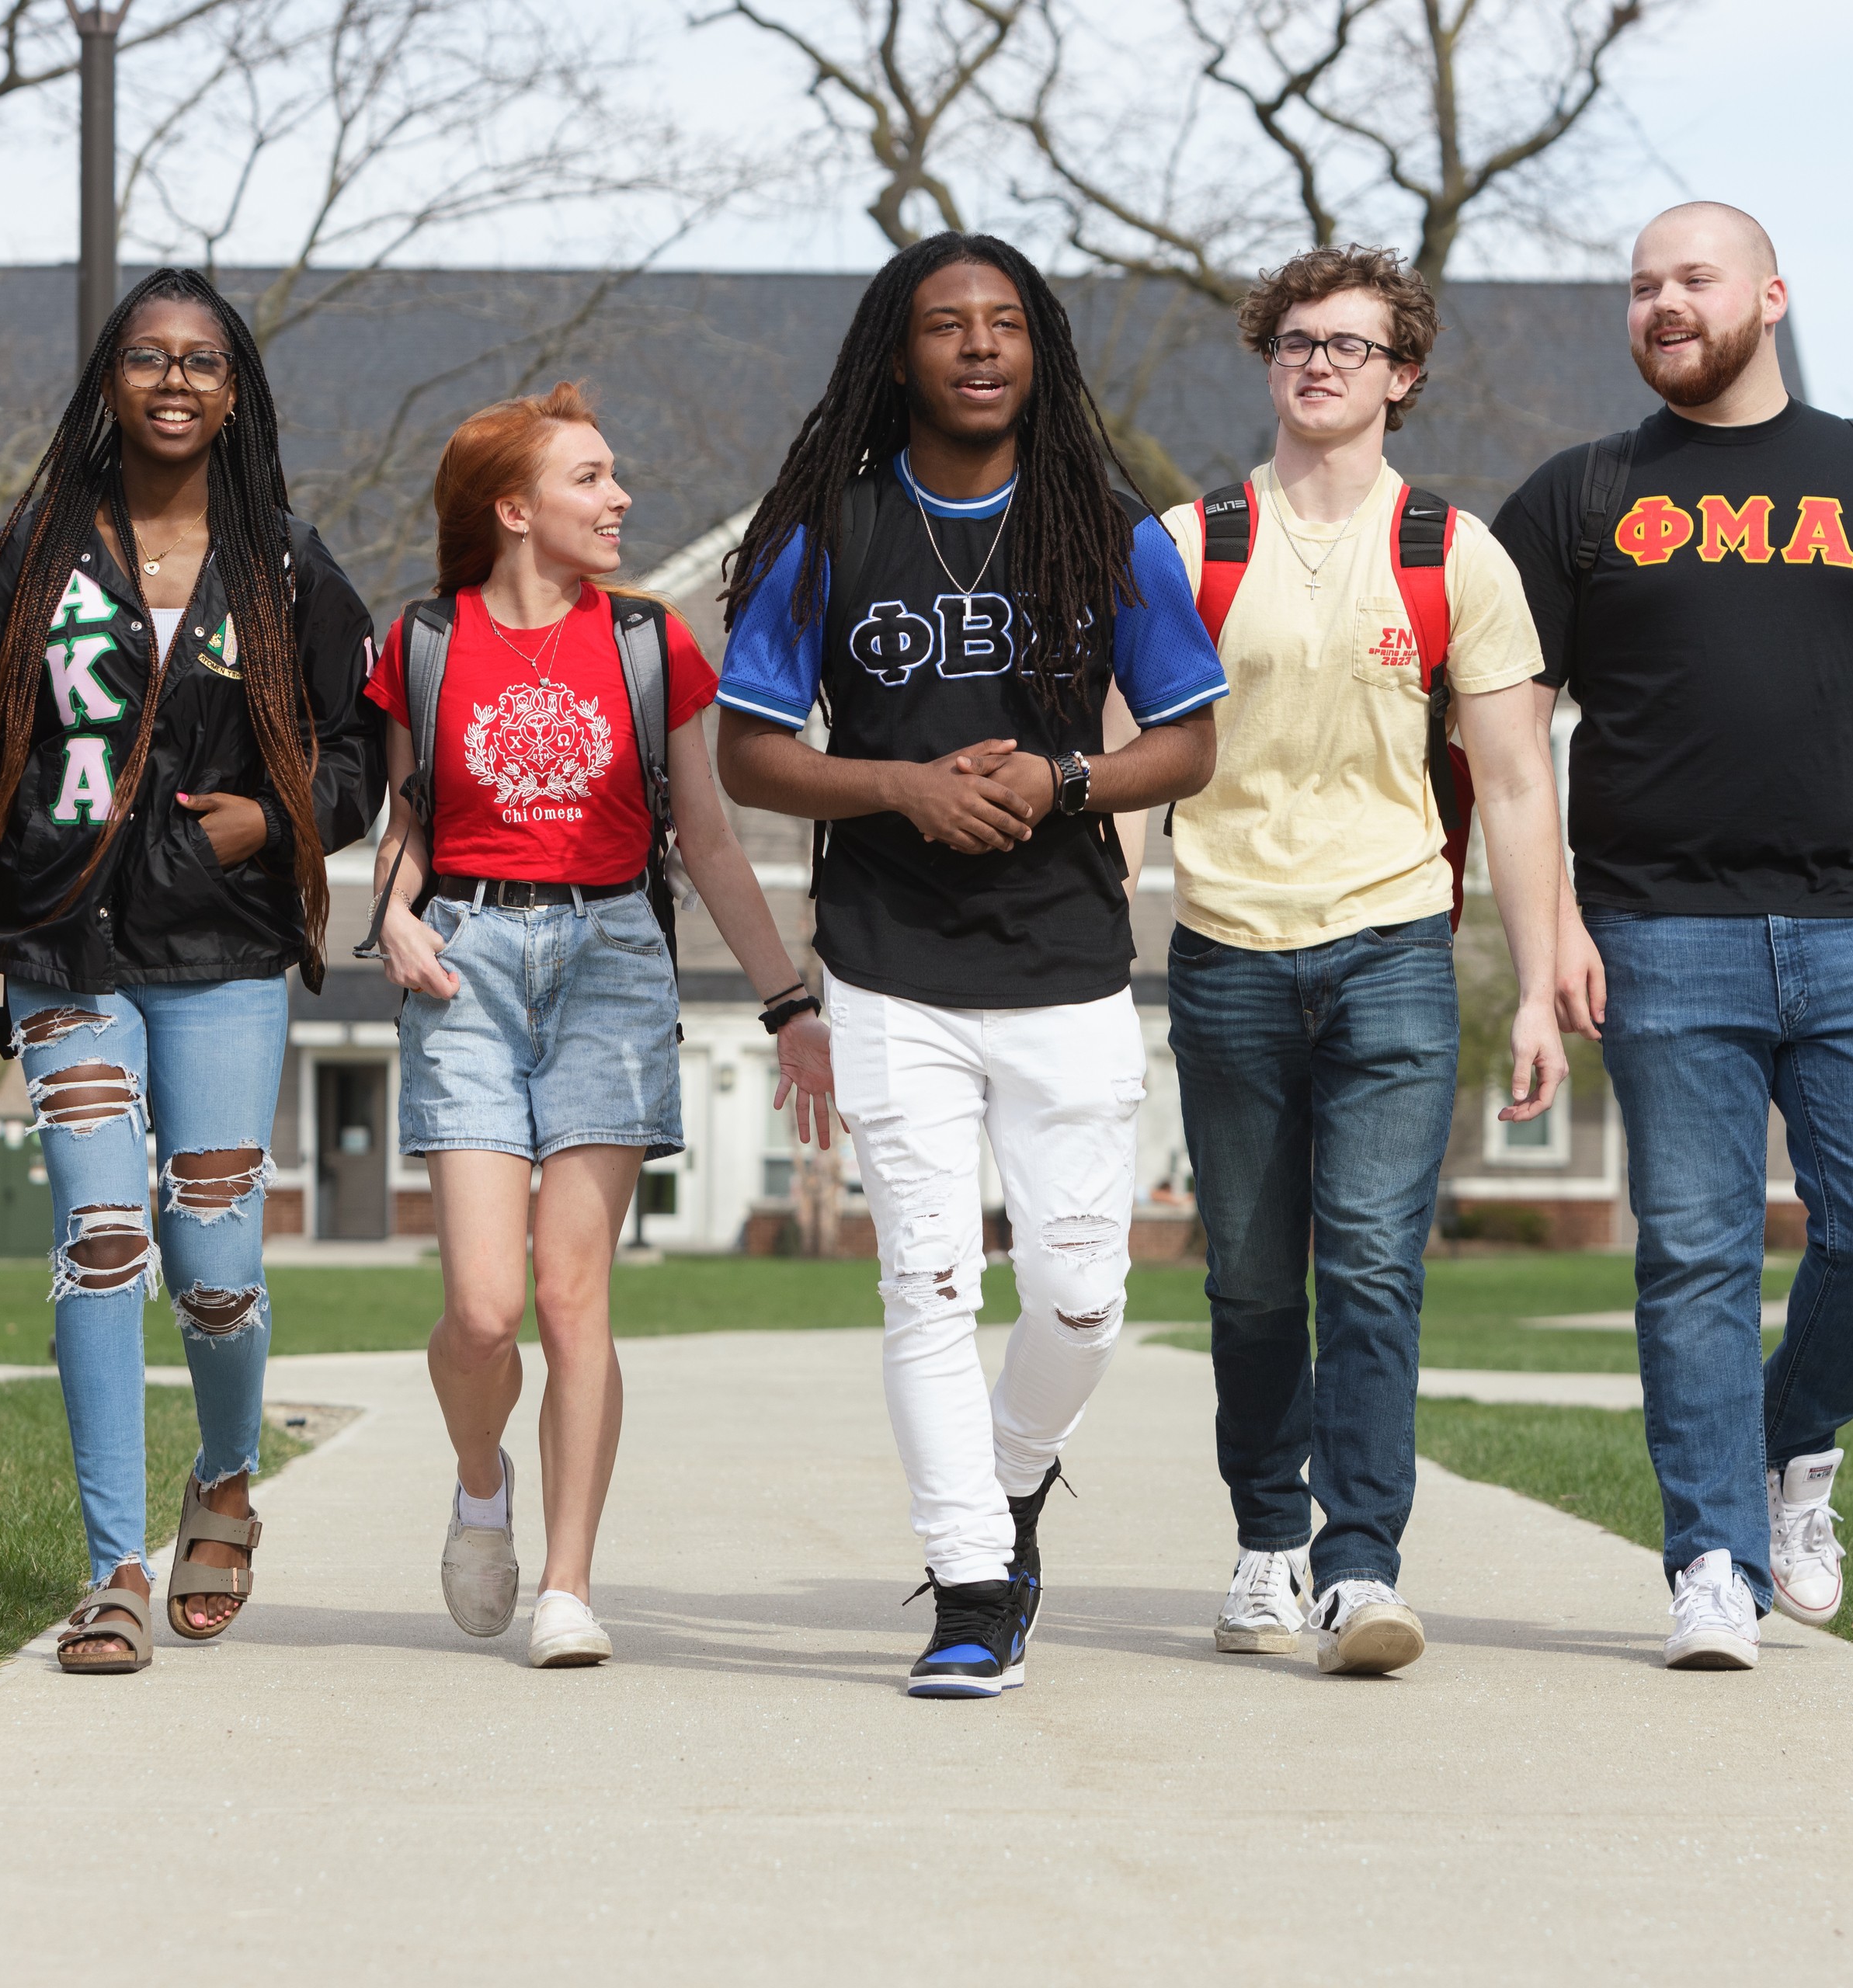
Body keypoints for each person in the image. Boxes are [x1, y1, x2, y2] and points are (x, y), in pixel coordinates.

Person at [0, 267, 384, 1677]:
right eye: (147, 358)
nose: (175, 380)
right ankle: (111, 1569)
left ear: (235, 390)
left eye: (201, 359)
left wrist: (285, 811)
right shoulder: (26, 562)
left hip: (225, 950)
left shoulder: (292, 569)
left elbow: (370, 749)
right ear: (111, 385)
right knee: (101, 1240)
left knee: (213, 1262)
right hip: (62, 941)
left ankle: (230, 1476)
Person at [1491, 203, 1853, 1669]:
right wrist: (1551, 934)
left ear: (1771, 295)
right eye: (1642, 285)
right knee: (1697, 1257)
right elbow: (1511, 740)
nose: (1662, 303)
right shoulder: (1578, 494)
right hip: (1661, 932)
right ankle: (1710, 1561)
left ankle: (1793, 1446)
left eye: (1694, 279)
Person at [716, 231, 1227, 1700]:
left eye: (1007, 323)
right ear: (900, 354)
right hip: (889, 965)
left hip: (1066, 959)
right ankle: (971, 1585)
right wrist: (900, 788)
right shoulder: (832, 528)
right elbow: (749, 748)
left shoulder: (1108, 526)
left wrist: (1065, 783)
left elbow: (1190, 735)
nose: (981, 346)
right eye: (948, 325)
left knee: (1080, 1298)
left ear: (1038, 350)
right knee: (927, 1284)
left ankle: (1008, 1481)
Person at [365, 384, 838, 1670]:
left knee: (575, 1297)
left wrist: (788, 999)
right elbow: (407, 818)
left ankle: (568, 1584)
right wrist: (392, 914)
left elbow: (714, 840)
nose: (619, 497)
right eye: (590, 478)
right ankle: (481, 1485)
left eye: (614, 474)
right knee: (481, 1308)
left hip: (614, 962)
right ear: (513, 509)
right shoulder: (423, 642)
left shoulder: (650, 646)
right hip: (465, 964)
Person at [1160, 245, 1567, 1677]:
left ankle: (1362, 1565)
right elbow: (1116, 757)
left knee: (1378, 1270)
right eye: (1295, 342)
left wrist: (1534, 981)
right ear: (1270, 363)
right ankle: (1266, 1544)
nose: (1318, 362)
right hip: (1224, 948)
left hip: (1394, 945)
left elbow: (1515, 785)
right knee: (1257, 1279)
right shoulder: (1187, 543)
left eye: (1351, 344)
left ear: (1404, 375)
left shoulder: (1455, 554)